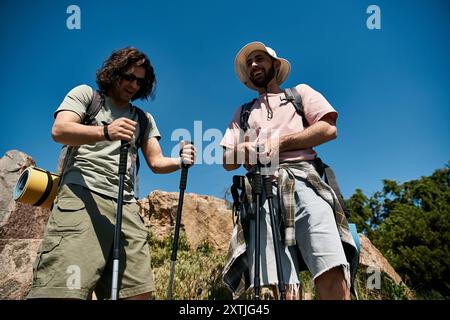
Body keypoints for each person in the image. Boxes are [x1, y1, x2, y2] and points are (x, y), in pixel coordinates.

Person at [27, 47, 196, 300]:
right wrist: (106, 132)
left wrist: (180, 161)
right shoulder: (87, 96)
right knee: (63, 290)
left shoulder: (143, 118)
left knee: (137, 294)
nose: (134, 85)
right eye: (129, 77)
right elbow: (60, 130)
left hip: (126, 206)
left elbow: (156, 162)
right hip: (82, 197)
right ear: (114, 72)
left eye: (140, 81)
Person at [220, 42, 358, 300]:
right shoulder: (243, 111)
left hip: (306, 182)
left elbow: (329, 129)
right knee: (276, 287)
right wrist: (246, 149)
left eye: (259, 59)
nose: (253, 65)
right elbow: (227, 159)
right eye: (249, 63)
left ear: (275, 64)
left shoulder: (300, 93)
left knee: (330, 269)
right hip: (260, 192)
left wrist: (278, 143)